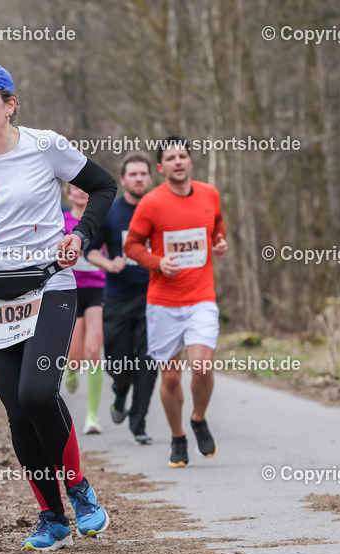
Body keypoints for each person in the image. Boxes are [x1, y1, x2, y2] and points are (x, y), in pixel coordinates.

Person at [0, 61, 116, 550]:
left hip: (49, 288)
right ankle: (52, 517)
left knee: (39, 394)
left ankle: (78, 489)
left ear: (10, 104)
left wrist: (80, 235)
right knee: (18, 412)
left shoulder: (46, 146)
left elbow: (104, 187)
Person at [124, 136, 228, 468]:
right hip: (164, 301)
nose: (178, 161)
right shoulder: (151, 203)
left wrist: (220, 242)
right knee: (170, 377)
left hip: (201, 297)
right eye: (171, 158)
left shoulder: (210, 193)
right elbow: (132, 246)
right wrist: (158, 263)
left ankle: (198, 418)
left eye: (183, 155)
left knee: (202, 366)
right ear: (161, 167)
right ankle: (178, 436)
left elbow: (218, 225)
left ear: (190, 161)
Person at [85, 153, 157, 445]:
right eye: (133, 174)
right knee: (118, 362)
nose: (139, 178)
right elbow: (89, 250)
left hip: (154, 298)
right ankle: (119, 391)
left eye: (143, 174)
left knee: (148, 363)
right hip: (116, 297)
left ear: (150, 178)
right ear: (124, 179)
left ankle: (138, 423)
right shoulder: (111, 212)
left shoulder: (159, 209)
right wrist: (108, 264)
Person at [63, 184, 106, 434]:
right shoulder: (61, 220)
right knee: (76, 357)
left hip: (97, 289)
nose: (80, 192)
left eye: (85, 188)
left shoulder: (99, 220)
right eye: (75, 188)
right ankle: (70, 370)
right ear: (68, 194)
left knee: (93, 351)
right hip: (70, 289)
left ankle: (92, 416)